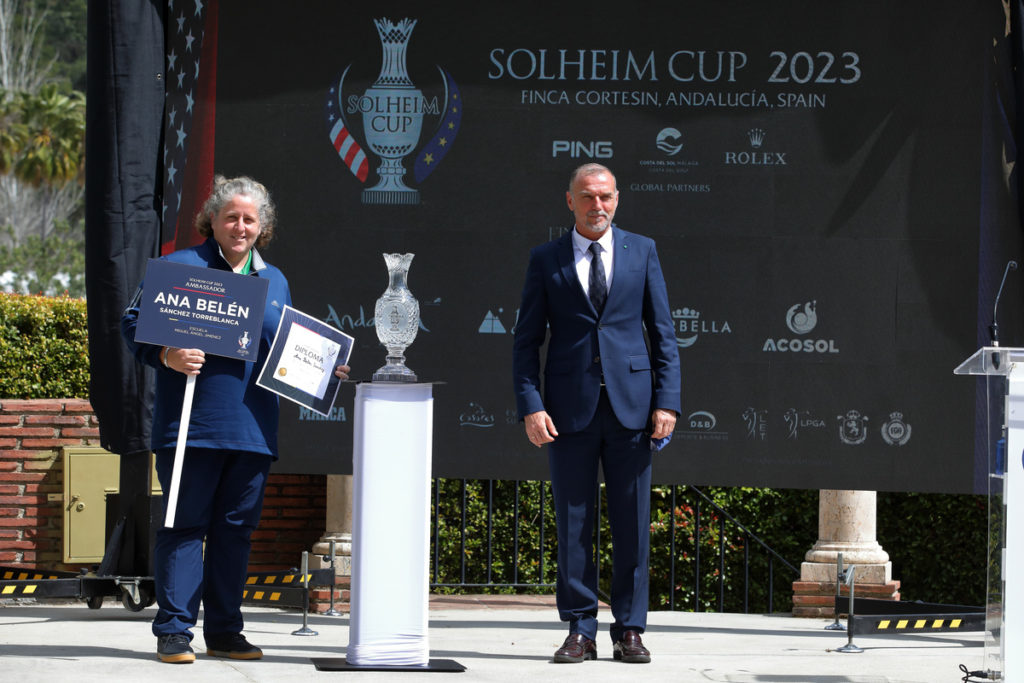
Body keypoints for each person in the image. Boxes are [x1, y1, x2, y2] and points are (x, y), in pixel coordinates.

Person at [121, 175, 350, 664]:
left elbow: (282, 348)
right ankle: (175, 632)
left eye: (250, 219)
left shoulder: (276, 280)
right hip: (191, 427)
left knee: (235, 533)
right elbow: (130, 322)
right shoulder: (178, 267)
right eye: (231, 217)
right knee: (183, 527)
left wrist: (324, 369)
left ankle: (225, 632)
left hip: (253, 431)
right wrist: (167, 354)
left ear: (262, 225)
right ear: (213, 220)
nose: (240, 226)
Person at [512, 163, 681, 664]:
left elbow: (663, 333)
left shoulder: (642, 251)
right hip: (568, 411)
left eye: (605, 196)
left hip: (632, 408)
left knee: (633, 523)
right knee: (573, 523)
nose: (597, 205)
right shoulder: (546, 258)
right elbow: (526, 342)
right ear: (570, 201)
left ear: (618, 199)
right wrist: (531, 405)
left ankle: (629, 628)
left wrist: (666, 401)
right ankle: (580, 629)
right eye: (587, 196)